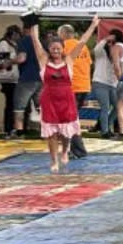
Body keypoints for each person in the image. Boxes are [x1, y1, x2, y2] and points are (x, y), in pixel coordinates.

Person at [29, 25, 81, 173]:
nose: (56, 51)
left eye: (58, 48)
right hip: (49, 99)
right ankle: (53, 159)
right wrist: (34, 24)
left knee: (65, 132)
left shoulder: (69, 60)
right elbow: (35, 41)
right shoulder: (44, 60)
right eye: (53, 48)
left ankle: (65, 150)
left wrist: (93, 25)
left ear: (63, 49)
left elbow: (82, 42)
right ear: (49, 50)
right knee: (51, 132)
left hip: (67, 99)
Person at [58, 19, 99, 161]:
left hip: (71, 86)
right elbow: (88, 64)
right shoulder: (83, 47)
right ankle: (76, 149)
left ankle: (76, 149)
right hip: (84, 85)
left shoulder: (63, 46)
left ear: (63, 34)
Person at [13, 20, 43, 138]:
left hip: (27, 78)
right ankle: (44, 132)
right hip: (41, 78)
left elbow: (21, 58)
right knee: (41, 107)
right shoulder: (42, 41)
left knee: (19, 107)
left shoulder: (24, 41)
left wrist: (8, 62)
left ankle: (19, 133)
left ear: (25, 30)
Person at [0, 26, 24, 139]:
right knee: (10, 104)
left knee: (13, 104)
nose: (19, 37)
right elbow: (3, 62)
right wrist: (17, 59)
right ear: (13, 34)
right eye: (18, 34)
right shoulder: (4, 44)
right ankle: (8, 129)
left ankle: (12, 128)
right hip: (8, 78)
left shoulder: (12, 44)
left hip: (13, 78)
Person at [91, 27, 120, 136]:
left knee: (118, 107)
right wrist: (105, 39)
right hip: (100, 82)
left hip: (112, 84)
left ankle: (107, 126)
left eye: (113, 43)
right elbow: (96, 49)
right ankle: (105, 131)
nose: (111, 44)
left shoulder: (117, 54)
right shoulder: (102, 53)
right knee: (105, 107)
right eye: (109, 43)